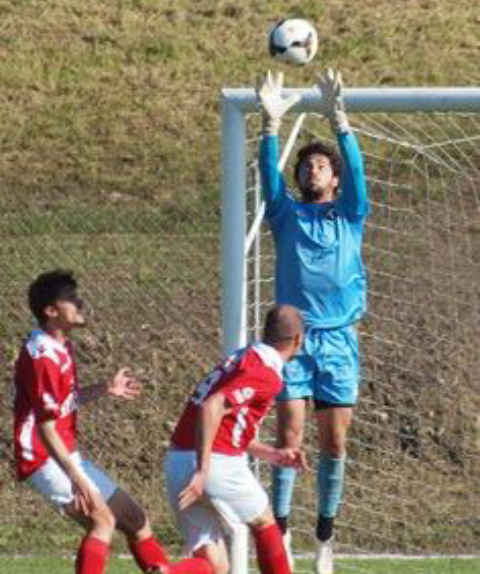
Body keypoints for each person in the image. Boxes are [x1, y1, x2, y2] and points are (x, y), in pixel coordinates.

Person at [12, 269, 214, 574]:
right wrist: (78, 480)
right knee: (102, 520)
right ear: (51, 311)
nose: (79, 303)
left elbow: (62, 402)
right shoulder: (43, 356)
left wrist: (105, 388)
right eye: (70, 299)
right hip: (41, 456)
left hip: (64, 453)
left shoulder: (60, 346)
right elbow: (46, 427)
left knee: (135, 520)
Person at [257, 70, 370, 574]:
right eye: (305, 167)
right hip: (293, 345)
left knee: (335, 442)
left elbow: (360, 175)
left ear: (335, 178)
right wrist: (268, 126)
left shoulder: (350, 214)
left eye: (321, 165)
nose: (311, 171)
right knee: (288, 439)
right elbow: (268, 178)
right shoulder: (286, 216)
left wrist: (340, 121)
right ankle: (278, 533)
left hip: (340, 342)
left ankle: (324, 536)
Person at [163, 305, 307, 574]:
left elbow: (222, 425)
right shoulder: (266, 373)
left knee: (214, 567)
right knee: (265, 523)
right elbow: (211, 407)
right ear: (298, 340)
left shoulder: (239, 358)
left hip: (177, 461)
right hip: (213, 465)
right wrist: (202, 471)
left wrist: (272, 454)